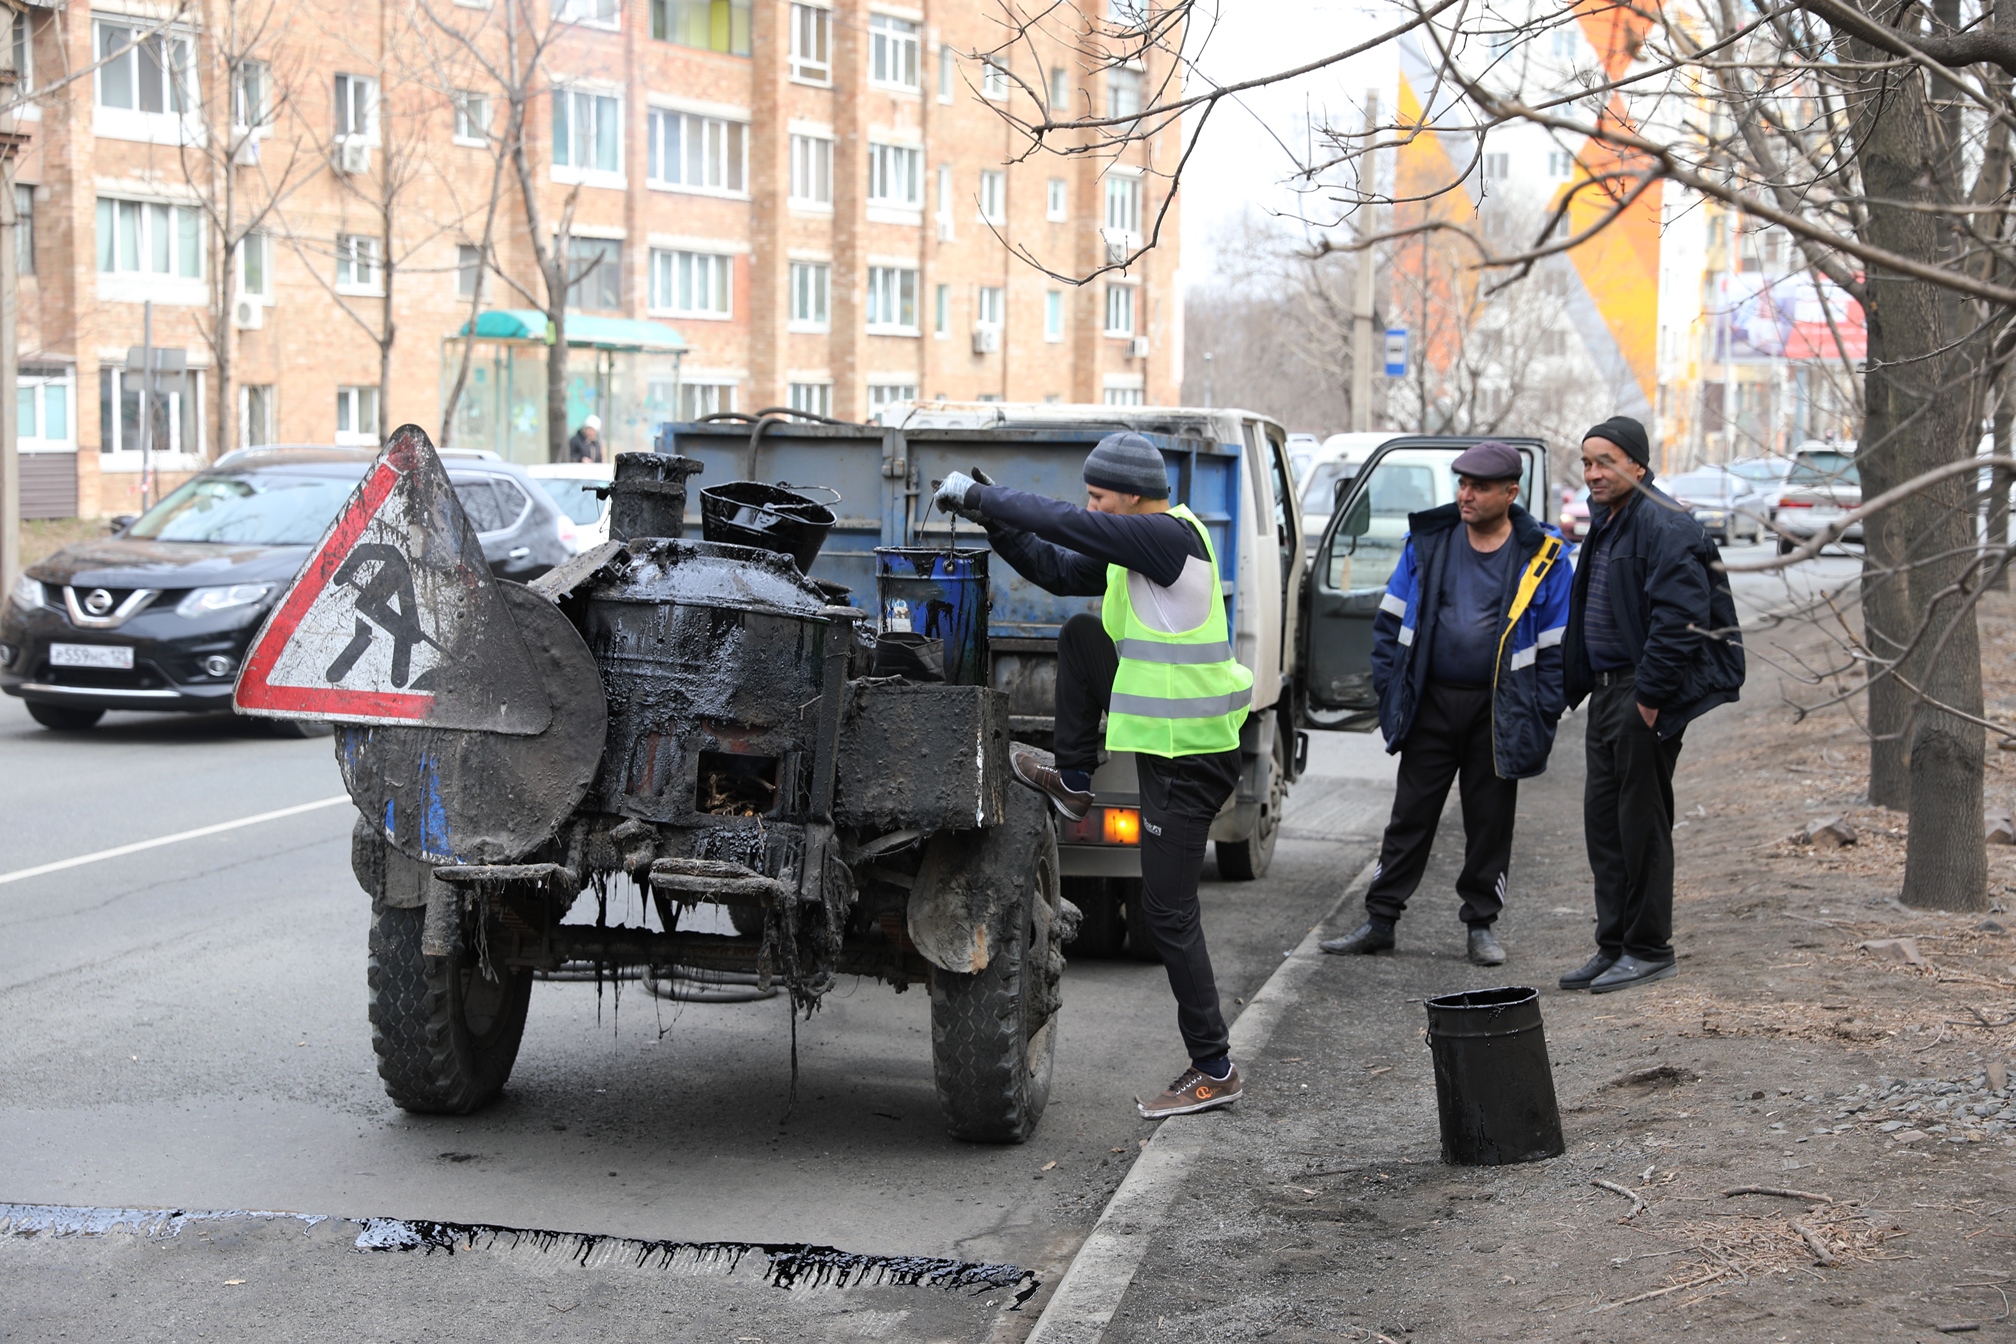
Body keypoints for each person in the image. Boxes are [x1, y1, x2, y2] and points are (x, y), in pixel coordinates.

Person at [933, 432, 1253, 1120]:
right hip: (1169, 744)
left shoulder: (1168, 538)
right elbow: (1053, 564)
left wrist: (982, 493)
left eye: (1101, 496)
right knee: (1081, 634)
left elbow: (1067, 524)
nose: (1091, 505)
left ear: (1132, 498)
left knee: (1167, 914)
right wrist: (993, 520)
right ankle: (1072, 780)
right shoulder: (1132, 550)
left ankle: (1214, 1066)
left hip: (1191, 755)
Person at [1320, 441, 1573, 966]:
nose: (1466, 495)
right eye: (1462, 484)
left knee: (1489, 823)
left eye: (1479, 487)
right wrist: (1391, 692)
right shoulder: (1429, 541)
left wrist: (1541, 712)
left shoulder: (1542, 555)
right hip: (1431, 705)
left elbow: (1557, 649)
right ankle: (1380, 920)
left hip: (1497, 712)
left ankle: (1480, 926)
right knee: (1408, 818)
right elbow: (1389, 623)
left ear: (1510, 492)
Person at [1560, 416, 1745, 994]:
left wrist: (1650, 698)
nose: (1594, 473)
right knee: (1605, 825)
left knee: (1641, 825)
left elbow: (1680, 618)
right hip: (1609, 691)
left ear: (1637, 464)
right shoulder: (1611, 521)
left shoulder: (1665, 523)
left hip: (1640, 695)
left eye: (1606, 461)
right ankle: (1613, 944)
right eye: (1587, 462)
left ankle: (1648, 947)